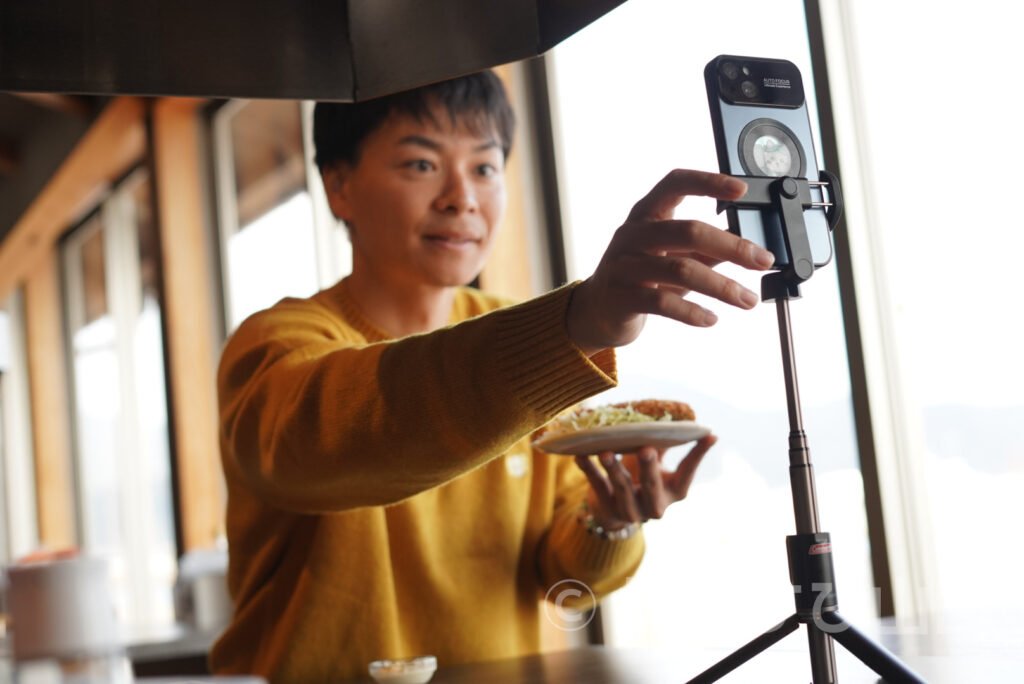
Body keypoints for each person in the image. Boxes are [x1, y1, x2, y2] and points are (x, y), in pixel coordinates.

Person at [208, 70, 775, 683]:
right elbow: (327, 439)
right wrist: (573, 324)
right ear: (339, 186)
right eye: (422, 165)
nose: (462, 197)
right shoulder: (278, 344)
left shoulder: (517, 336)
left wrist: (610, 521)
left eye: (484, 168)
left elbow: (563, 585)